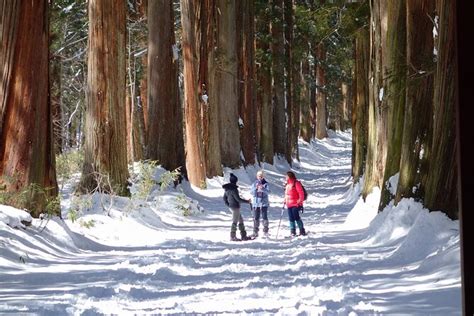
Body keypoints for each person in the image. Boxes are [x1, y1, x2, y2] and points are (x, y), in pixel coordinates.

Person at [223, 173, 252, 241]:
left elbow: (224, 198)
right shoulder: (234, 189)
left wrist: (228, 205)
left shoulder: (227, 189)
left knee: (240, 220)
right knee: (235, 221)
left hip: (232, 207)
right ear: (235, 181)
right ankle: (233, 236)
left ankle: (243, 235)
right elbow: (238, 199)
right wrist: (247, 201)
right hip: (235, 207)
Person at [284, 171, 306, 237]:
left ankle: (302, 230)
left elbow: (301, 193)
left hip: (296, 204)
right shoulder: (287, 184)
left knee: (296, 217)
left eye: (286, 176)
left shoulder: (296, 183)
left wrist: (300, 201)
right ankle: (292, 231)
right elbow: (286, 194)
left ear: (289, 176)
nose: (285, 177)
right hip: (289, 204)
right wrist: (285, 200)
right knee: (291, 218)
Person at [250, 170, 270, 237]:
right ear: (257, 176)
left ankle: (265, 231)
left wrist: (263, 189)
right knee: (256, 217)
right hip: (256, 203)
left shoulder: (266, 183)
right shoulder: (254, 183)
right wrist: (256, 188)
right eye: (259, 176)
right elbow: (252, 192)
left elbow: (268, 192)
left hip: (263, 203)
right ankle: (255, 231)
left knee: (264, 217)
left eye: (261, 176)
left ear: (263, 176)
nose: (260, 177)